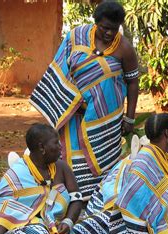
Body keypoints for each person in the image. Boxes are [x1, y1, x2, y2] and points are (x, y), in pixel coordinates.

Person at [30, 2, 139, 200]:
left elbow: (133, 82)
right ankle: (70, 202)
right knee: (69, 160)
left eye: (113, 29)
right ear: (96, 22)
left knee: (103, 163)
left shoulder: (125, 49)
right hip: (71, 116)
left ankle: (98, 204)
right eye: (104, 27)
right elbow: (61, 67)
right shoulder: (76, 36)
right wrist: (64, 101)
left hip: (105, 121)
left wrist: (130, 118)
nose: (108, 33)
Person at [0, 124, 84, 234]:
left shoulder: (62, 167)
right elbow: (3, 206)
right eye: (55, 143)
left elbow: (77, 199)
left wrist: (68, 221)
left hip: (55, 229)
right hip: (21, 228)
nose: (60, 146)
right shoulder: (18, 172)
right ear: (42, 147)